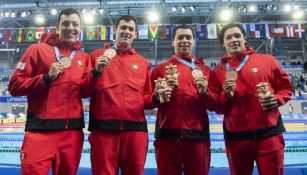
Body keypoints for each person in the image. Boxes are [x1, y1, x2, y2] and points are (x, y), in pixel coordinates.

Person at [8, 8, 102, 175]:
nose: (70, 28)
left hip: (71, 134)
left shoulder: (83, 58)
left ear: (81, 29)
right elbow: (14, 86)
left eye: (75, 24)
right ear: (58, 27)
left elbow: (84, 92)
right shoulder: (37, 50)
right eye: (66, 24)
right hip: (39, 132)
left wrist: (96, 74)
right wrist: (45, 78)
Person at [213, 23, 292, 175]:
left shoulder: (267, 60)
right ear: (223, 43)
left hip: (269, 135)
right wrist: (227, 96)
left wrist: (277, 99)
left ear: (245, 38)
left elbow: (286, 88)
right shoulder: (218, 72)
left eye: (237, 36)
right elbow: (217, 106)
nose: (234, 39)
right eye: (228, 37)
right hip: (237, 139)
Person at [87, 15, 152, 175]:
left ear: (136, 34)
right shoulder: (96, 56)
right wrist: (96, 72)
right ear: (115, 30)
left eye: (131, 29)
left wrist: (159, 96)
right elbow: (85, 90)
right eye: (123, 27)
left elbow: (147, 99)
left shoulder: (143, 63)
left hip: (135, 131)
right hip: (103, 131)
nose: (127, 32)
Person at [150, 24, 218, 175]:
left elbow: (216, 105)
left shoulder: (206, 71)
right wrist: (157, 95)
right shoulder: (159, 70)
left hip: (197, 136)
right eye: (180, 37)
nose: (185, 41)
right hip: (167, 135)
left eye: (188, 37)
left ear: (193, 41)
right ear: (172, 42)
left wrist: (203, 93)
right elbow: (147, 102)